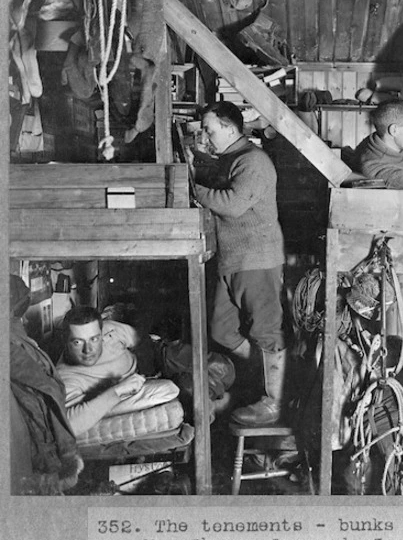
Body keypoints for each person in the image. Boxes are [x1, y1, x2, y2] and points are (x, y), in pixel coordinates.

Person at [191, 101, 288, 426]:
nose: (204, 135)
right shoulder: (232, 158)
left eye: (209, 129)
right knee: (222, 329)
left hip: (256, 259)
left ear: (231, 129)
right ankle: (262, 380)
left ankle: (273, 402)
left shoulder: (253, 161)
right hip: (232, 260)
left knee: (265, 331)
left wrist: (193, 189)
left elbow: (232, 205)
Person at [9, 275, 83, 494]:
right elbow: (47, 391)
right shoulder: (13, 345)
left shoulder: (17, 340)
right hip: (40, 465)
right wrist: (68, 458)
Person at [57, 306, 177, 436]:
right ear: (65, 341)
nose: (88, 349)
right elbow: (70, 424)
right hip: (124, 391)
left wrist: (150, 367)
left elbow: (141, 340)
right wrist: (117, 391)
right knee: (170, 389)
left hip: (149, 363)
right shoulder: (65, 376)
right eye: (77, 342)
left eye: (94, 339)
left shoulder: (109, 330)